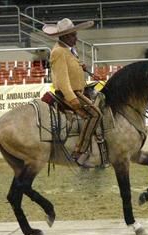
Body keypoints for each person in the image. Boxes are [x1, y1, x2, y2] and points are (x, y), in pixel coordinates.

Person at [42, 18, 102, 168]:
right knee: (95, 114)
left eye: (75, 34)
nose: (76, 37)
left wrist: (79, 66)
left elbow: (69, 68)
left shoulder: (68, 50)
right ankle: (79, 151)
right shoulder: (58, 52)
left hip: (79, 90)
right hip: (71, 94)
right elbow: (62, 80)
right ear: (64, 36)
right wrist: (72, 99)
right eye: (73, 35)